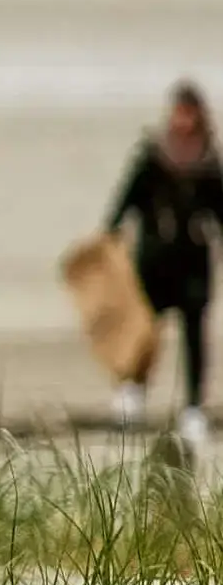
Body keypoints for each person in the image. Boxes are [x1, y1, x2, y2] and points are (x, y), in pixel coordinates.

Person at [111, 83, 222, 448]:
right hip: (153, 257)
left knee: (194, 335)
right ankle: (132, 392)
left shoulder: (207, 164)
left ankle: (193, 408)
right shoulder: (152, 157)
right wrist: (109, 238)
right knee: (144, 331)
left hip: (192, 260)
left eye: (191, 113)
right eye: (179, 112)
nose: (184, 120)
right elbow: (127, 200)